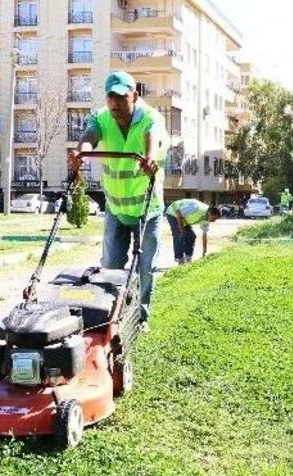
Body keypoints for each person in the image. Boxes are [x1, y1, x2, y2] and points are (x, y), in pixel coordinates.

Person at [69, 71, 166, 327]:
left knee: (146, 267)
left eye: (122, 96)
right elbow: (91, 135)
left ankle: (141, 318)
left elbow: (152, 135)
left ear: (135, 95)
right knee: (111, 265)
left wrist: (149, 156)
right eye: (111, 96)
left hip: (148, 209)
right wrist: (81, 152)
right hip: (115, 207)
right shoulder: (101, 117)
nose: (115, 102)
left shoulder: (150, 117)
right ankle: (110, 317)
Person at [165, 198, 221, 264]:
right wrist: (181, 228)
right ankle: (180, 259)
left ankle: (188, 258)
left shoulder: (206, 220)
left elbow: (204, 236)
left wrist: (204, 253)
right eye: (214, 218)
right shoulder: (195, 207)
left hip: (183, 218)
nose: (214, 221)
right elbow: (178, 212)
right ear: (210, 213)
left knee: (191, 236)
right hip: (173, 213)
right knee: (179, 235)